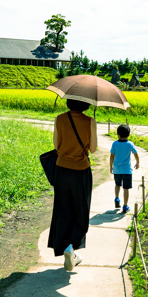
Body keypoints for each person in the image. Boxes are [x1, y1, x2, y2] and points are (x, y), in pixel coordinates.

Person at [49, 98, 98, 271]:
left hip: (61, 170)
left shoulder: (59, 118)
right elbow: (93, 149)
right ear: (86, 104)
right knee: (81, 210)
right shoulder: (90, 121)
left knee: (63, 210)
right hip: (81, 171)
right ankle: (72, 248)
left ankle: (65, 248)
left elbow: (56, 145)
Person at [109, 124, 140, 214]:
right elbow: (136, 154)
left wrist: (111, 167)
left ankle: (117, 198)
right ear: (129, 134)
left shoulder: (115, 144)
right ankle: (125, 206)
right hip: (127, 170)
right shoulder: (130, 144)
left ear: (117, 134)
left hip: (117, 169)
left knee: (117, 184)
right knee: (126, 188)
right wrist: (137, 162)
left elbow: (111, 156)